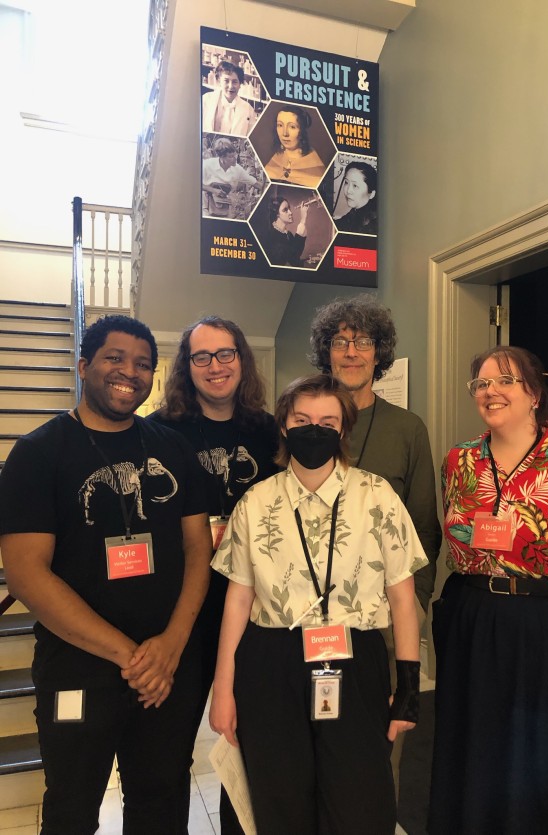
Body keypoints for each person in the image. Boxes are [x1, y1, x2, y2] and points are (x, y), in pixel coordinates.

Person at [0, 315, 212, 834]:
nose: (129, 373)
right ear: (84, 367)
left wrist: (171, 645)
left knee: (160, 798)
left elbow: (197, 550)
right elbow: (27, 575)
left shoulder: (171, 447)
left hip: (167, 665)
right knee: (72, 806)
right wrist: (134, 657)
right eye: (115, 358)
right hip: (80, 668)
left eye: (143, 364)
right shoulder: (37, 453)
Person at [209, 374, 427, 835]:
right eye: (302, 419)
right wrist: (223, 688)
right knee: (278, 800)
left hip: (354, 657)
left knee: (358, 801)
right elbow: (238, 598)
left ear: (344, 429)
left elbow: (403, 598)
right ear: (284, 427)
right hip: (272, 660)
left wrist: (407, 687)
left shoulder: (377, 496)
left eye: (328, 421)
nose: (315, 429)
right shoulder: (256, 501)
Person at [429, 345, 548, 835]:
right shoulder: (460, 462)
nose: (490, 391)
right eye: (481, 384)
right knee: (483, 745)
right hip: (479, 620)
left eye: (505, 381)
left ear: (534, 393)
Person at [309, 294, 442, 831]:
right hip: (309, 615)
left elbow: (425, 526)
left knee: (379, 742)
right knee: (314, 736)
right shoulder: (304, 418)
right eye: (339, 341)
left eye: (361, 341)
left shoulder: (406, 429)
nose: (350, 351)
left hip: (386, 620)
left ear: (379, 351)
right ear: (326, 351)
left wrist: (417, 609)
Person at [149, 315, 279, 834]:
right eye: (201, 357)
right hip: (183, 607)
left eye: (225, 354)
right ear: (187, 367)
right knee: (168, 744)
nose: (215, 366)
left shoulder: (267, 428)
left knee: (241, 741)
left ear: (241, 360)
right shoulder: (160, 429)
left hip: (252, 607)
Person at [264, 105, 325, 187]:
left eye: (292, 127)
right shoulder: (275, 158)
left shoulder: (316, 168)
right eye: (280, 125)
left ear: (302, 130)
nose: (285, 133)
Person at [202, 137, 260, 218]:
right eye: (230, 157)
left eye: (235, 155)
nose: (235, 159)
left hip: (225, 207)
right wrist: (213, 190)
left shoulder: (237, 169)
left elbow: (253, 182)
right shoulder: (207, 165)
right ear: (222, 157)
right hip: (205, 206)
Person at [202, 60, 256, 136]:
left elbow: (251, 138)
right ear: (218, 81)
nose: (230, 86)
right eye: (226, 81)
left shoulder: (248, 109)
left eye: (235, 82)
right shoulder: (205, 100)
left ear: (240, 84)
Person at [334, 161, 378, 234]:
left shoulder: (370, 225)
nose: (348, 190)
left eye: (355, 186)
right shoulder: (357, 211)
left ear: (372, 194)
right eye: (346, 182)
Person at [266, 194, 308, 266]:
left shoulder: (288, 234)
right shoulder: (272, 236)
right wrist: (303, 219)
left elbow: (294, 259)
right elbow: (293, 255)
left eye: (289, 208)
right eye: (285, 210)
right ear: (277, 214)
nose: (290, 212)